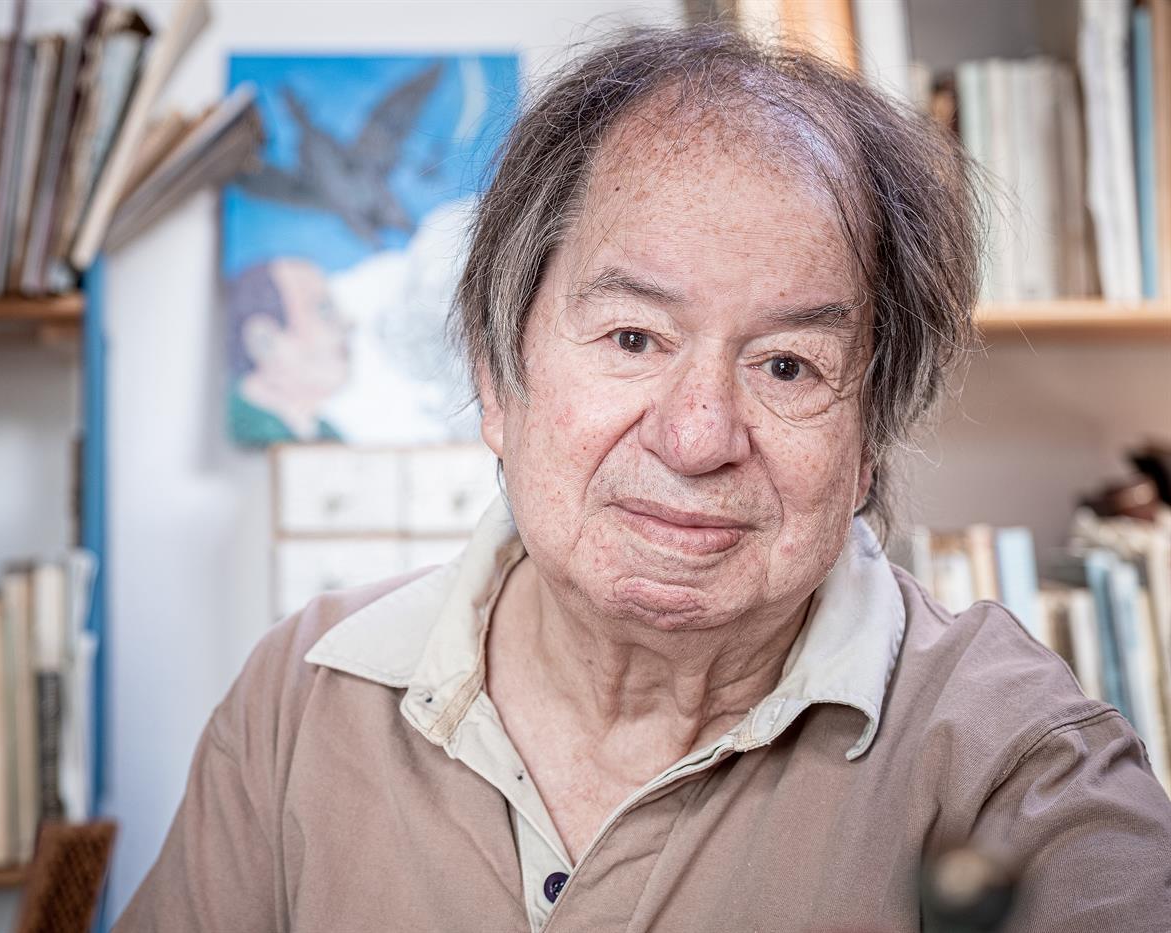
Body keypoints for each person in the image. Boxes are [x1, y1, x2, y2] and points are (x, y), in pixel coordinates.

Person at [119, 24, 1171, 932]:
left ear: (868, 442)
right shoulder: (304, 698)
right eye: (631, 337)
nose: (698, 434)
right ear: (496, 376)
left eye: (787, 365)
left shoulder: (1013, 766)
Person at [226, 257, 348, 444]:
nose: (346, 325)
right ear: (264, 340)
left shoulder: (328, 435)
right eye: (324, 310)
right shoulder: (247, 425)